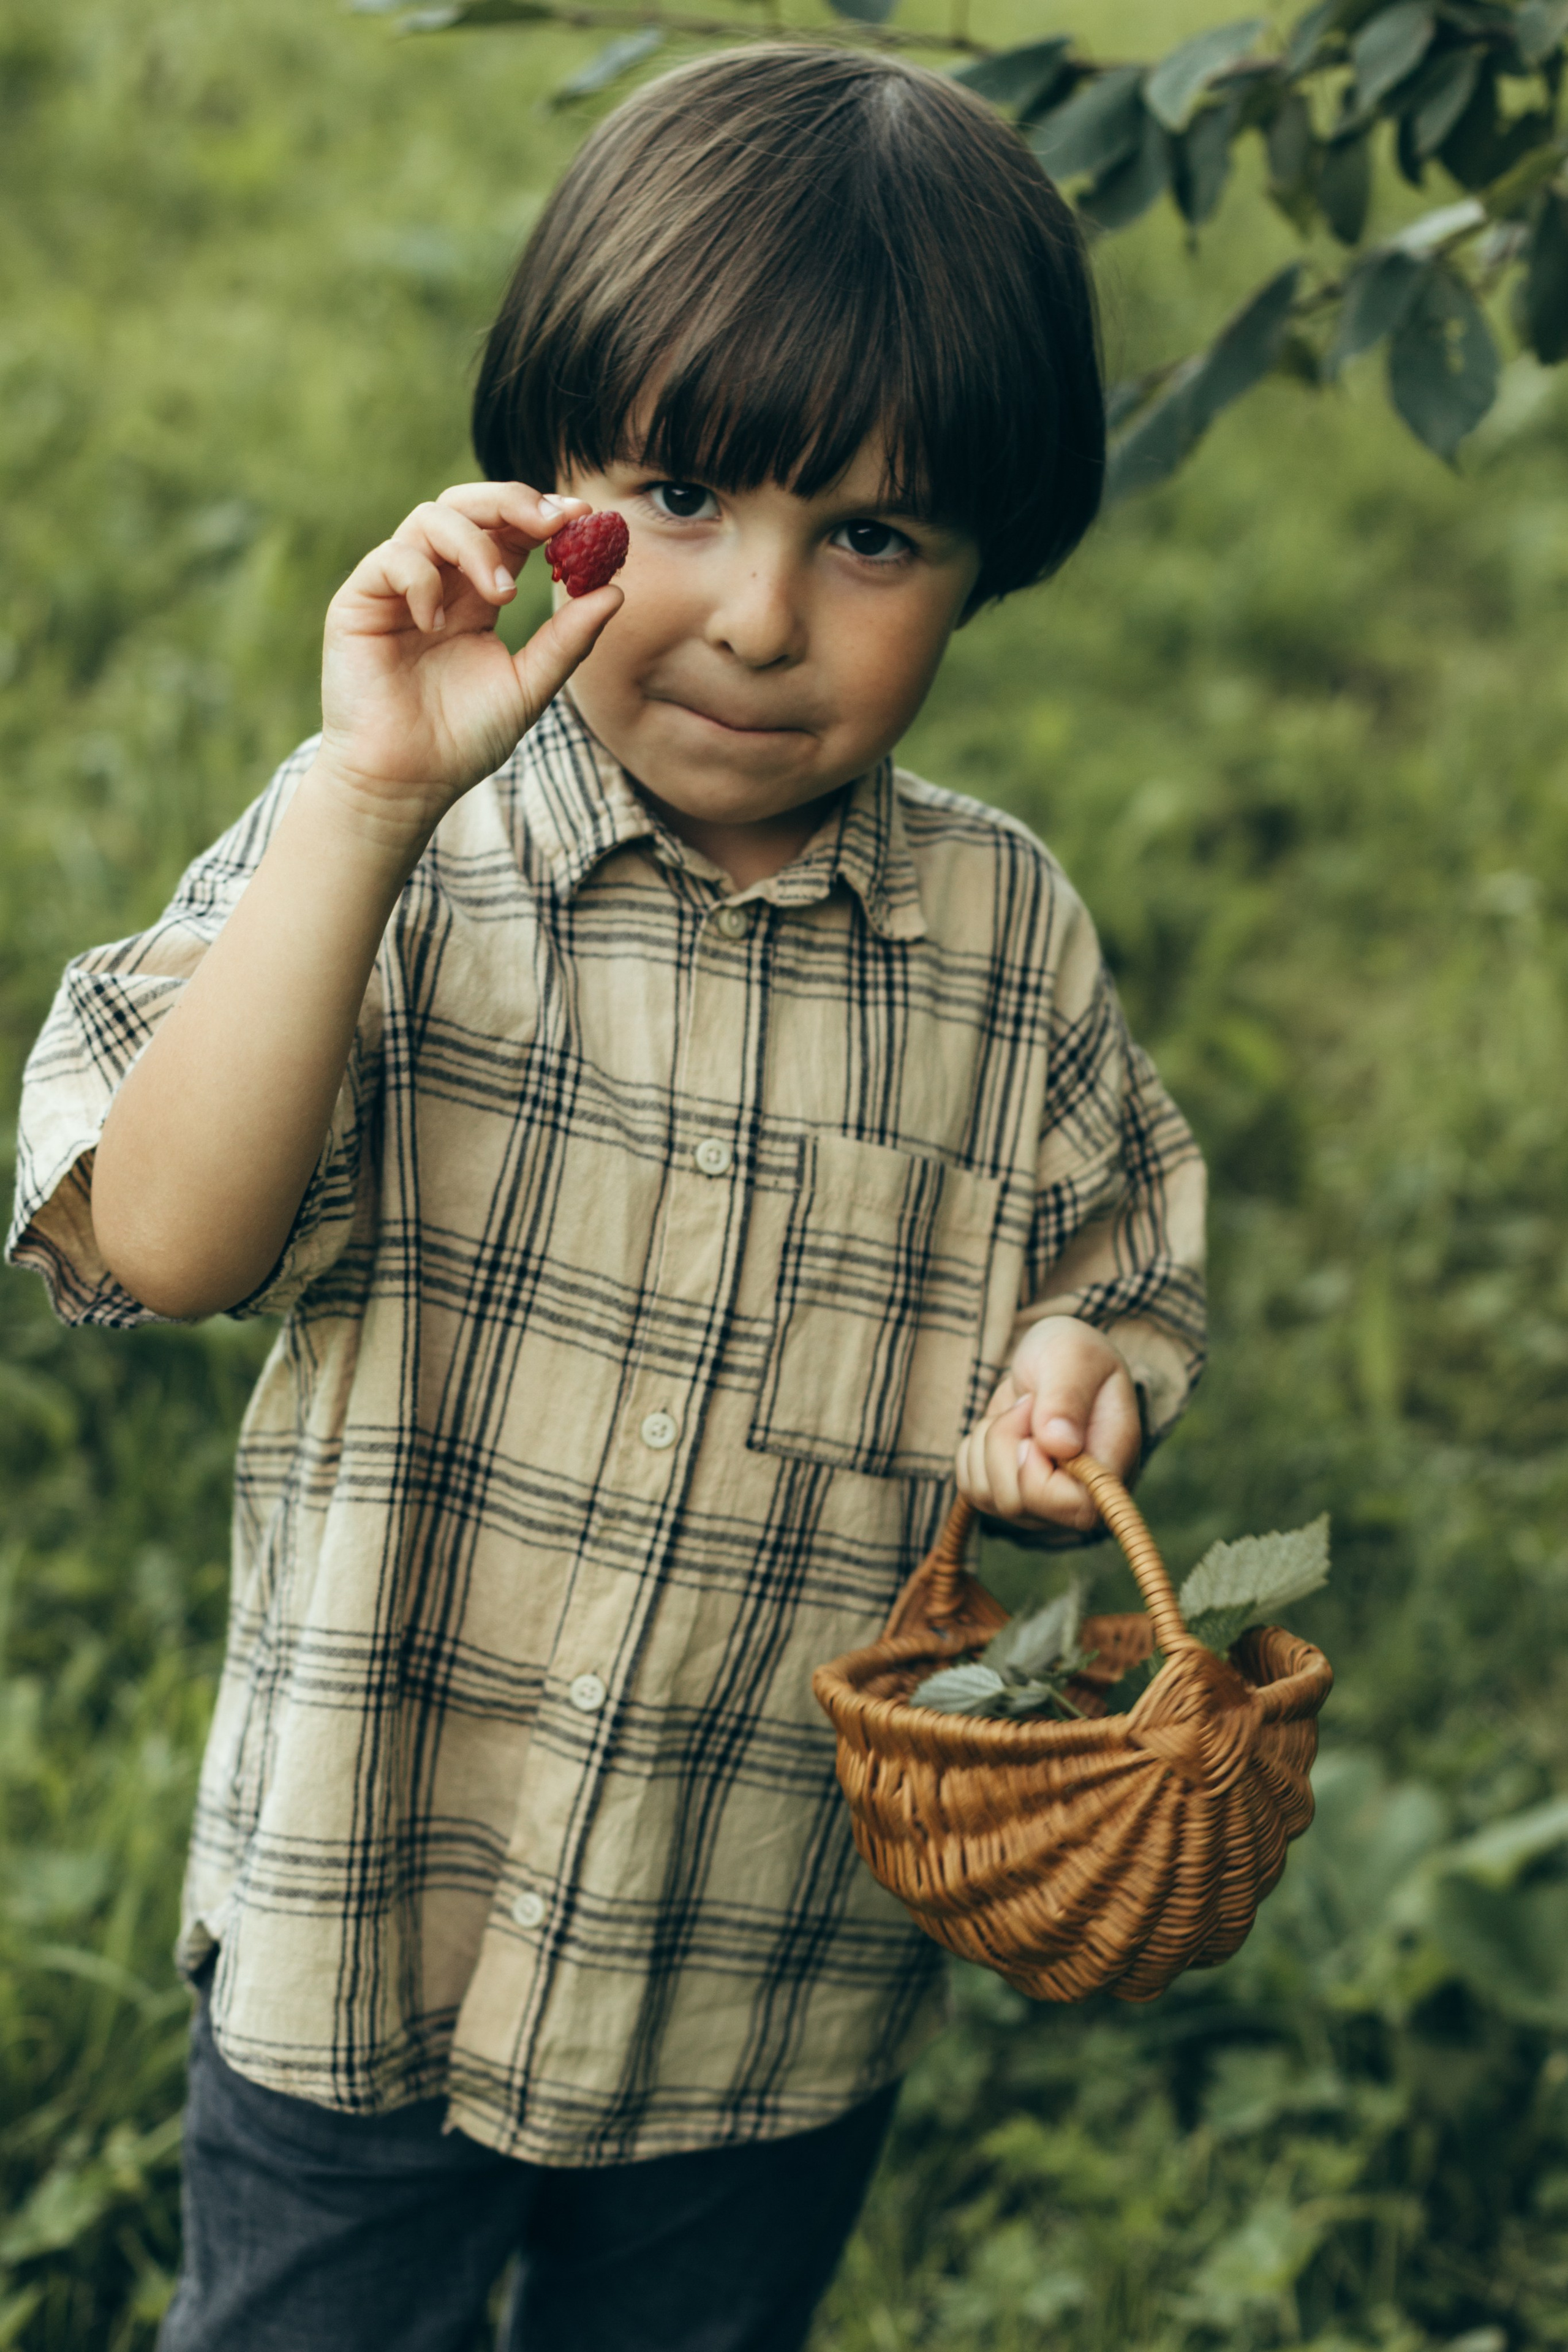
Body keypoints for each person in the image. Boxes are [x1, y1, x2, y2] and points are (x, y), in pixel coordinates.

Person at [7, 42, 1206, 2352]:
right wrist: (362, 805)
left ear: (989, 554)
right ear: (543, 479)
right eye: (678, 495)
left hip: (758, 1971)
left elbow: (1111, 1266)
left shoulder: (1001, 937)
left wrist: (1074, 1385)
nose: (762, 615)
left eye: (876, 537)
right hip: (370, 1923)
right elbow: (160, 1243)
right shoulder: (401, 848)